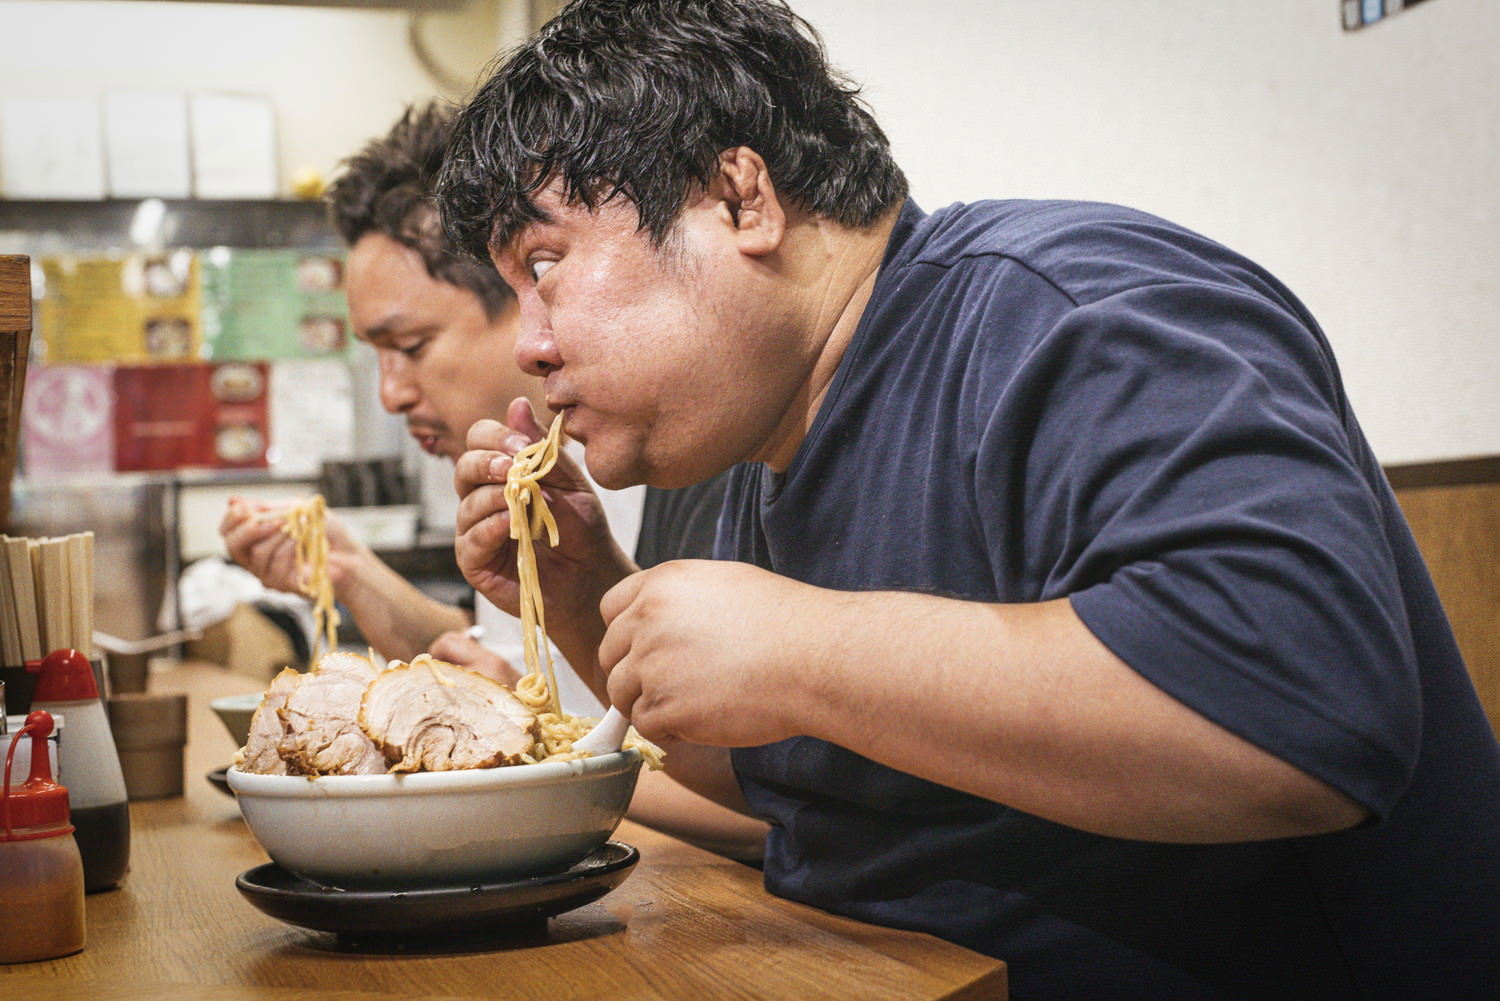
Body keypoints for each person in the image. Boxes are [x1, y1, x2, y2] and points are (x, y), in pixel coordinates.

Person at [435, 1, 1500, 997]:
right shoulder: (772, 441)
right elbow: (822, 789)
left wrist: (801, 648)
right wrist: (588, 602)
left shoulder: (1071, 309)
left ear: (739, 198)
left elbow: (1305, 708)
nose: (527, 343)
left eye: (547, 262)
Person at [220, 102, 765, 861]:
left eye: (410, 344)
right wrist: (342, 569)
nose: (389, 393)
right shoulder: (519, 472)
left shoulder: (680, 458)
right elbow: (492, 658)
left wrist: (520, 737)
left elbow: (782, 803)